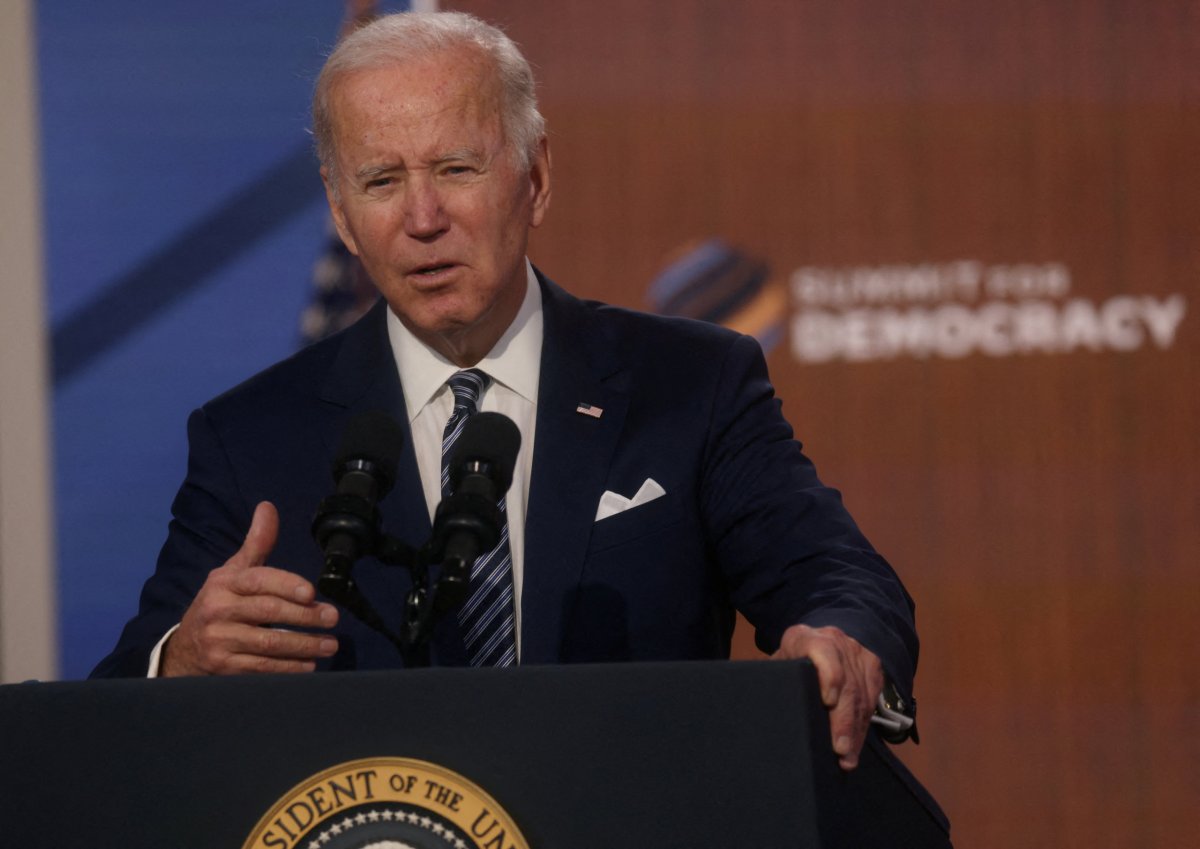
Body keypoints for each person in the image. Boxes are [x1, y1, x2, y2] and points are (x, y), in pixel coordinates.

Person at [91, 11, 919, 773]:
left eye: (456, 167)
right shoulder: (254, 438)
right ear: (341, 214)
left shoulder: (690, 383)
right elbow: (115, 703)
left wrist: (840, 639)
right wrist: (185, 659)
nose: (423, 218)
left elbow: (832, 573)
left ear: (537, 175)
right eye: (381, 182)